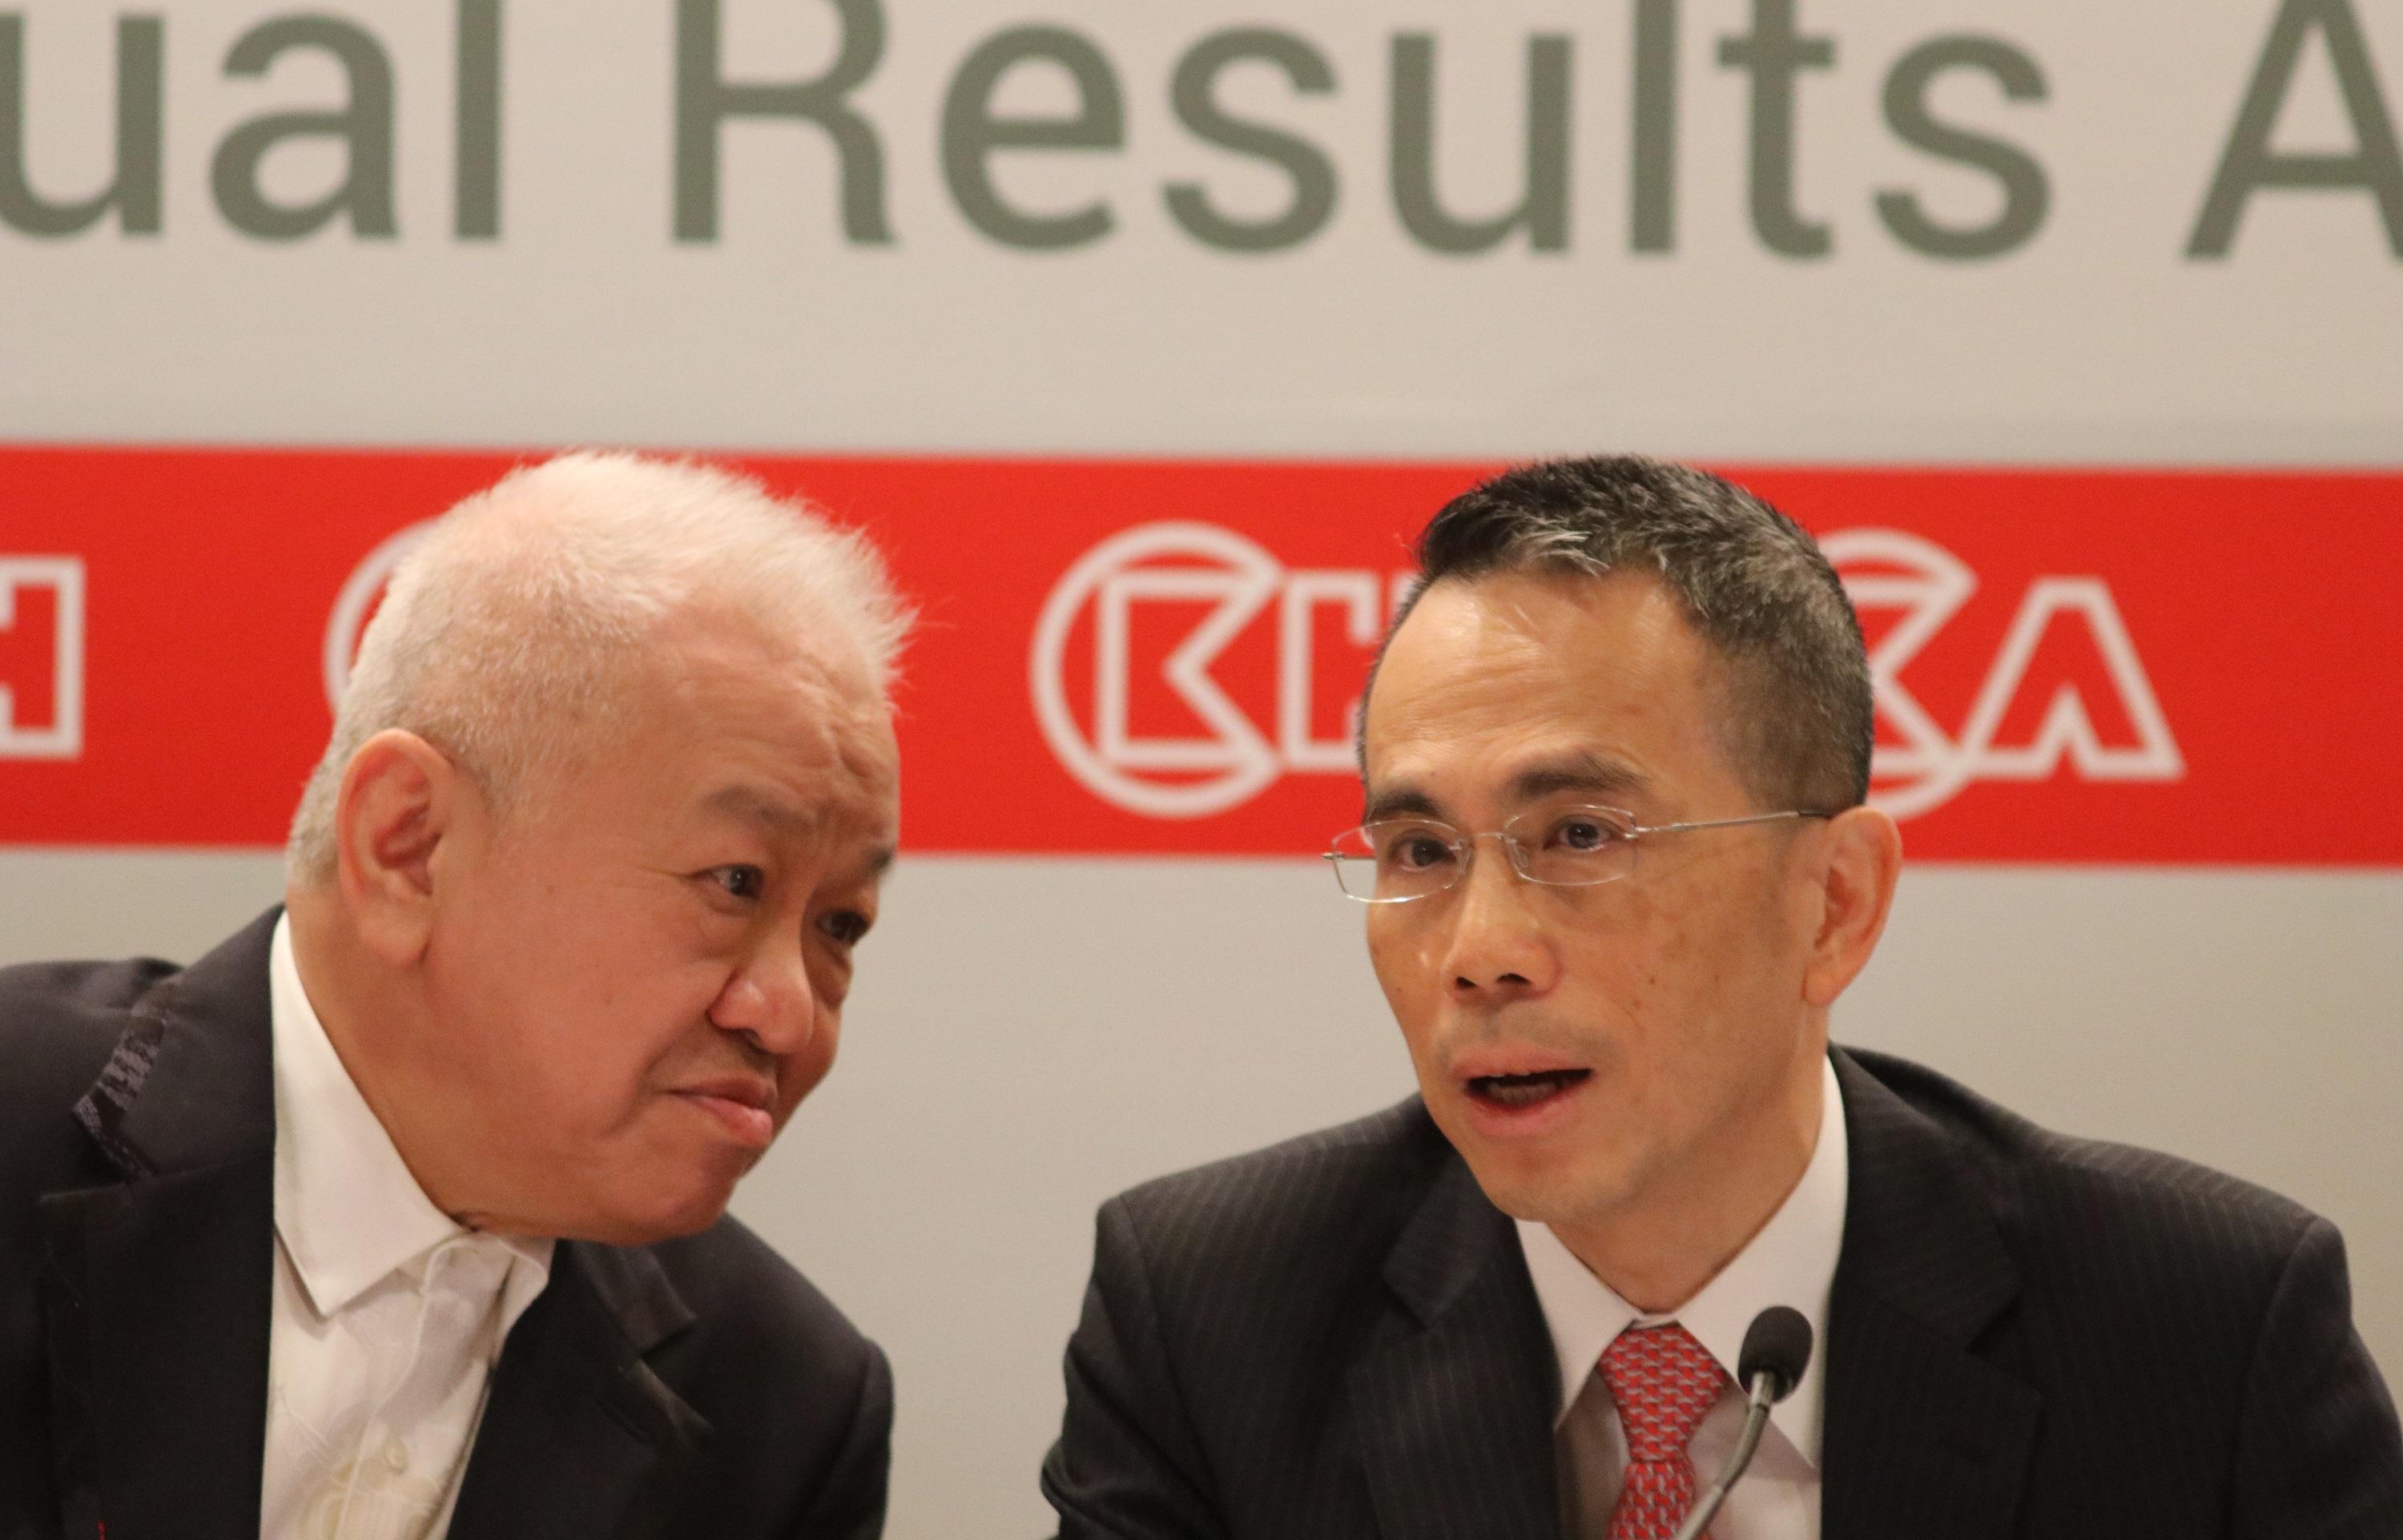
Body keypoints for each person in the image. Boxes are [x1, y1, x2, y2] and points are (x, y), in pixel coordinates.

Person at [1040, 456, 2403, 1538]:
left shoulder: (2201, 1338)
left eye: (1581, 835)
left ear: (1834, 904)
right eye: (1421, 852)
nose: (1479, 950)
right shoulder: (1213, 1324)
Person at [0, 452, 909, 1540]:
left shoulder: (781, 1410)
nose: (790, 1014)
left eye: (839, 927)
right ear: (411, 847)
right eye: (736, 883)